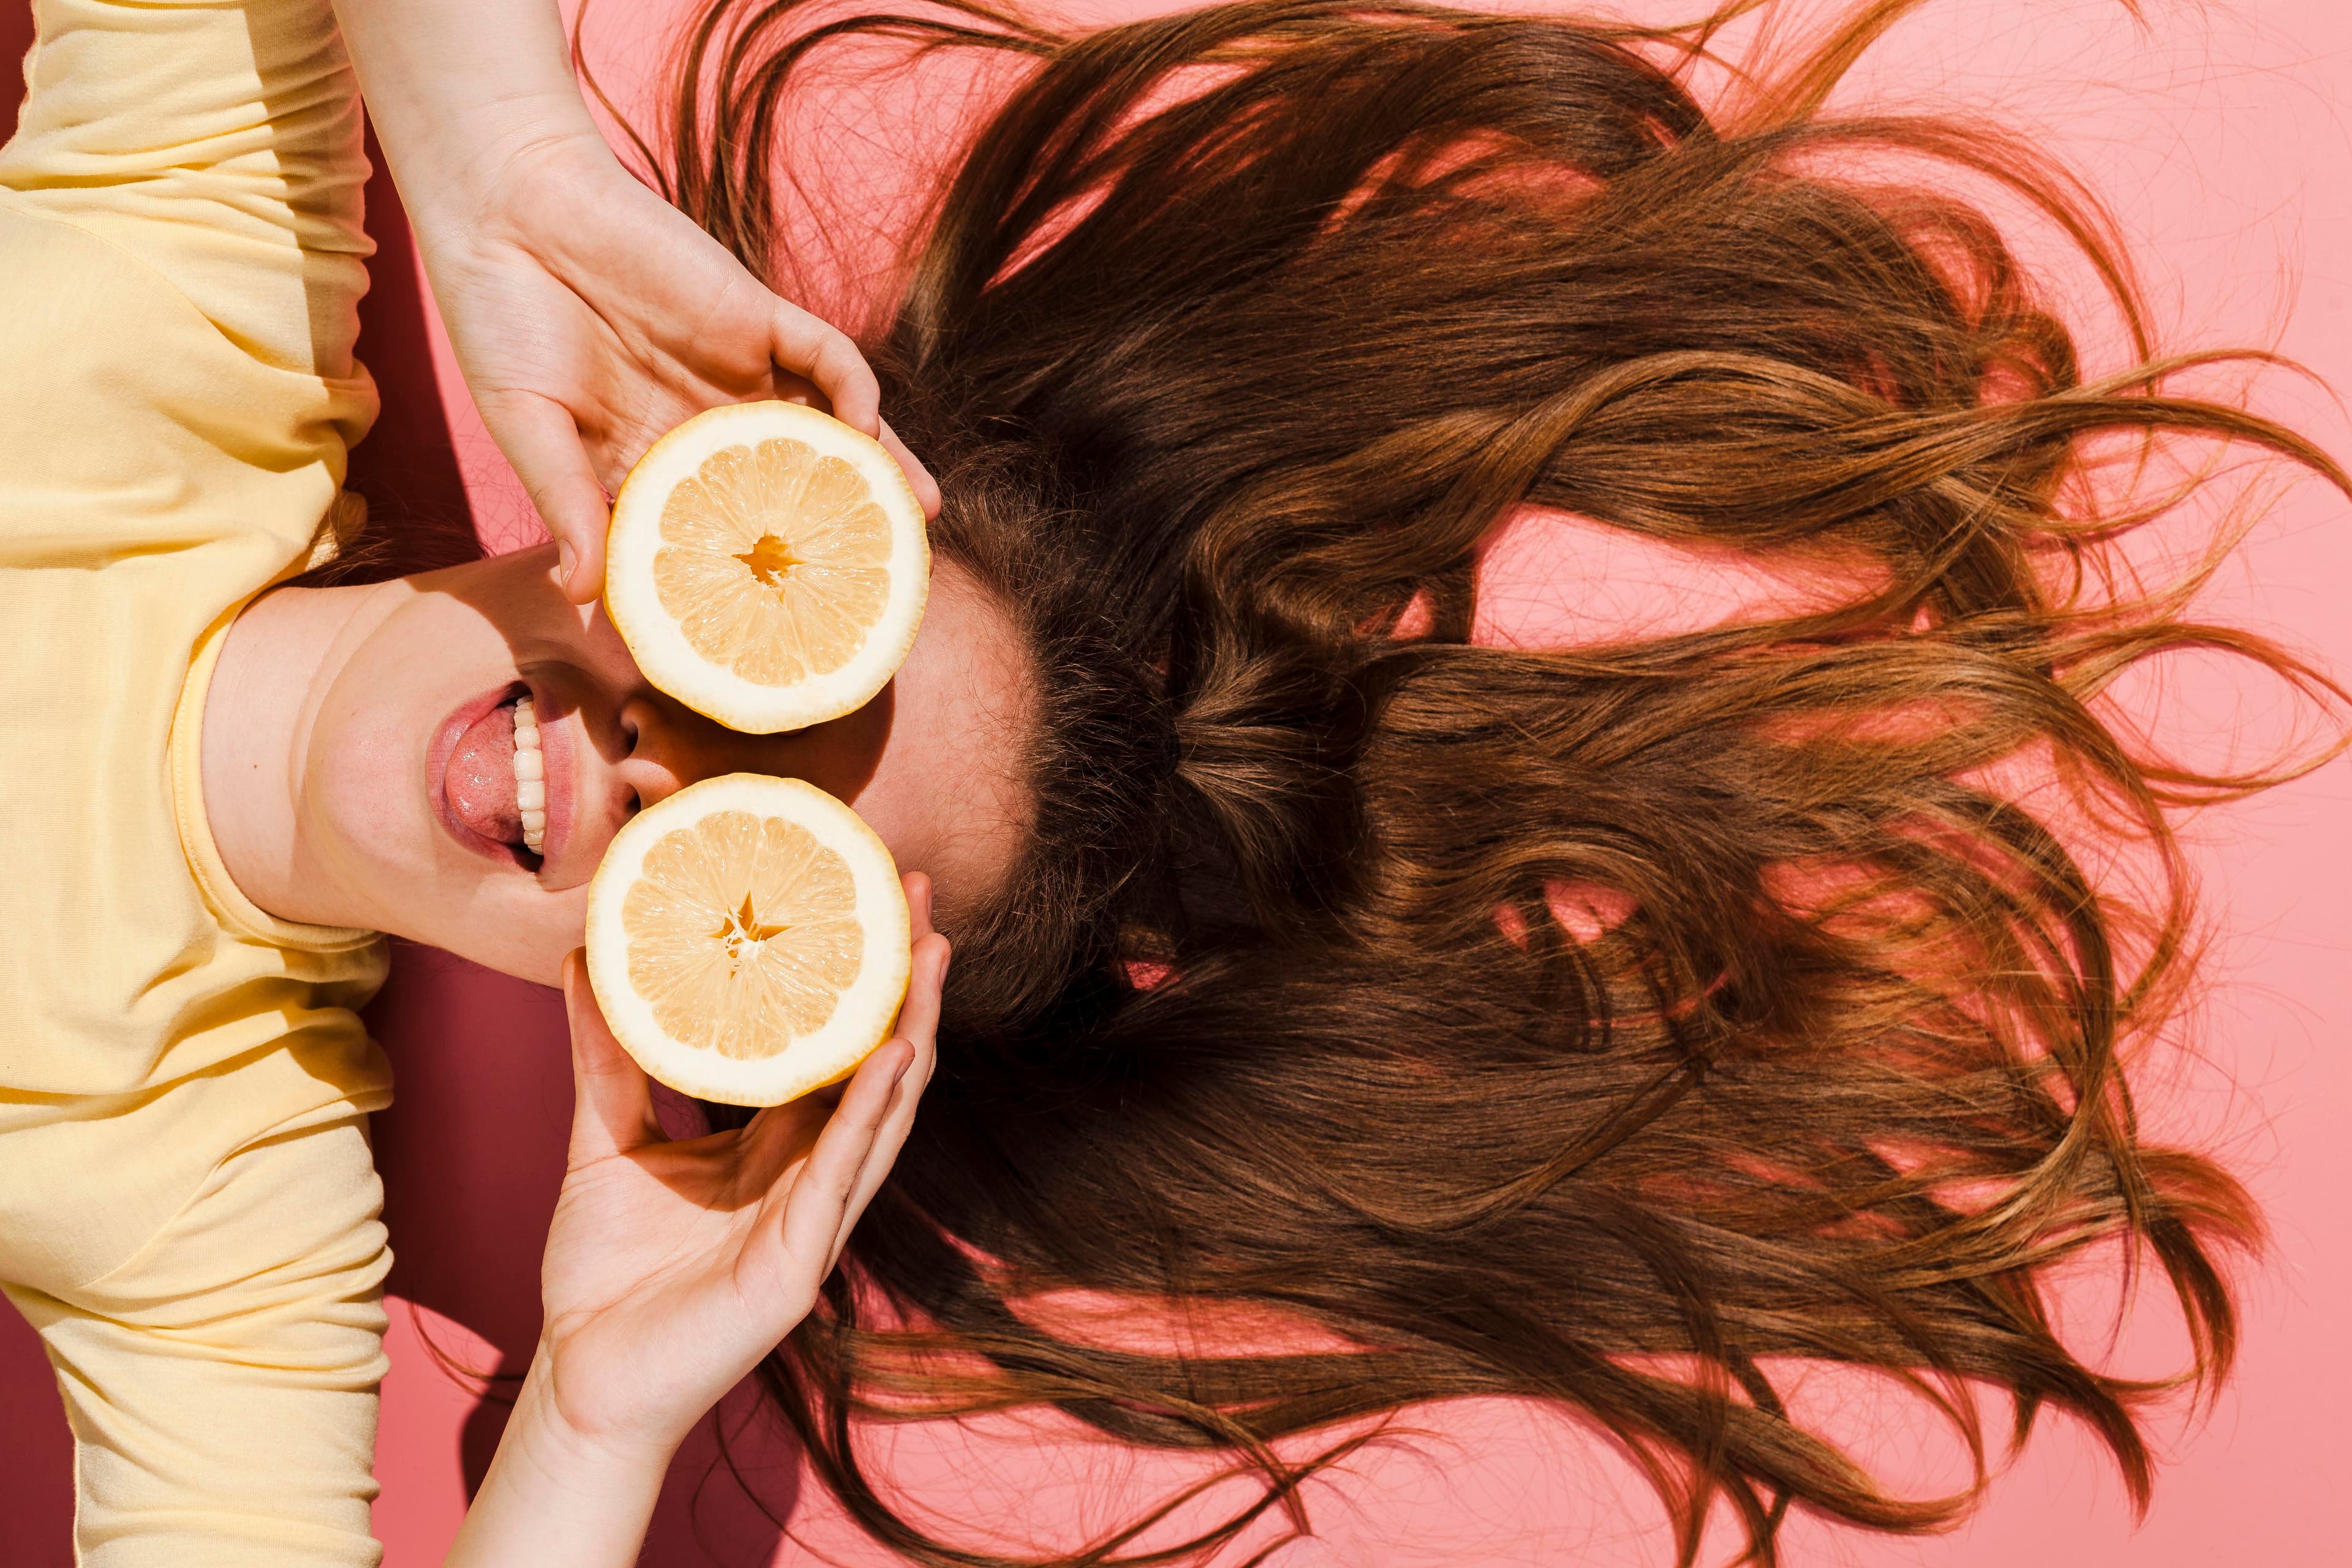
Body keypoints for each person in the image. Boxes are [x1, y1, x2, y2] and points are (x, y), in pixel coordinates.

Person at [0, 0, 960, 1561]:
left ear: (692, 1025)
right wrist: (503, 163)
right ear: (684, 491)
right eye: (750, 631)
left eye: (742, 867)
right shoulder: (204, 276)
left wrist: (591, 1422)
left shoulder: (220, 1206)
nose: (648, 763)